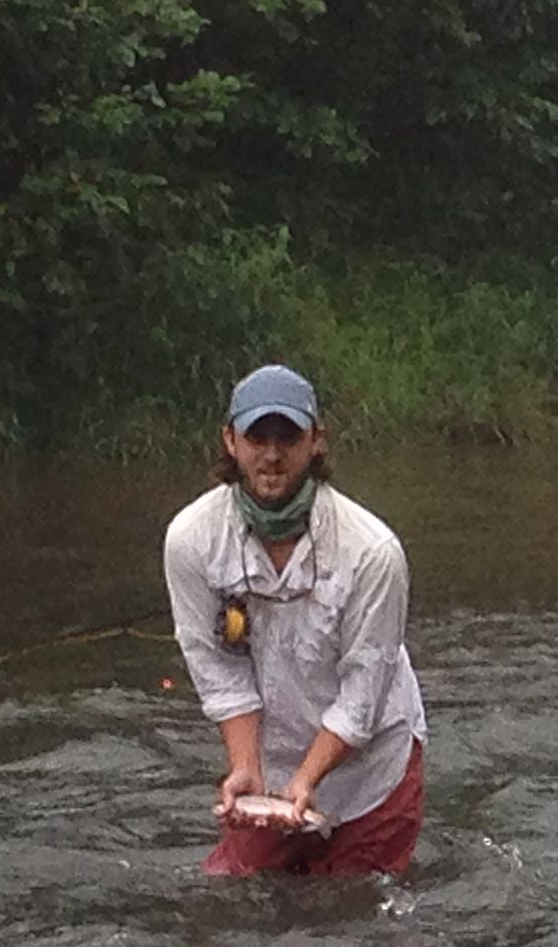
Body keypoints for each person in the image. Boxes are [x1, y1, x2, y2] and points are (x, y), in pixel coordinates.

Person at [163, 363, 427, 876]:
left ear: (317, 442)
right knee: (229, 904)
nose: (271, 453)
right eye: (257, 436)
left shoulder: (373, 551)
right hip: (271, 765)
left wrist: (306, 782)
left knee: (352, 925)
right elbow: (217, 668)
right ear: (230, 441)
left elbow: (363, 694)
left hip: (374, 770)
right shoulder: (190, 540)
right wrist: (245, 767)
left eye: (288, 436)